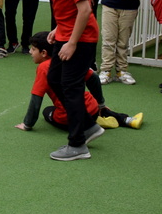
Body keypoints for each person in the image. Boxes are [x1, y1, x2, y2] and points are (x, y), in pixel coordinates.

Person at [35, 0, 103, 161]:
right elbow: (67, 9)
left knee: (71, 87)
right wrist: (57, 29)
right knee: (54, 79)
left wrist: (72, 42)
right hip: (65, 33)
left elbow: (85, 10)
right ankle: (88, 126)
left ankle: (77, 145)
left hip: (82, 38)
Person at [15, 31, 143, 136]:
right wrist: (100, 104)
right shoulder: (69, 58)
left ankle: (96, 124)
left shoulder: (43, 68)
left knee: (47, 111)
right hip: (92, 108)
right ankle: (126, 119)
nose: (31, 52)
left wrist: (27, 124)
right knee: (87, 104)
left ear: (43, 53)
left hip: (70, 117)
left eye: (33, 49)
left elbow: (36, 98)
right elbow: (93, 77)